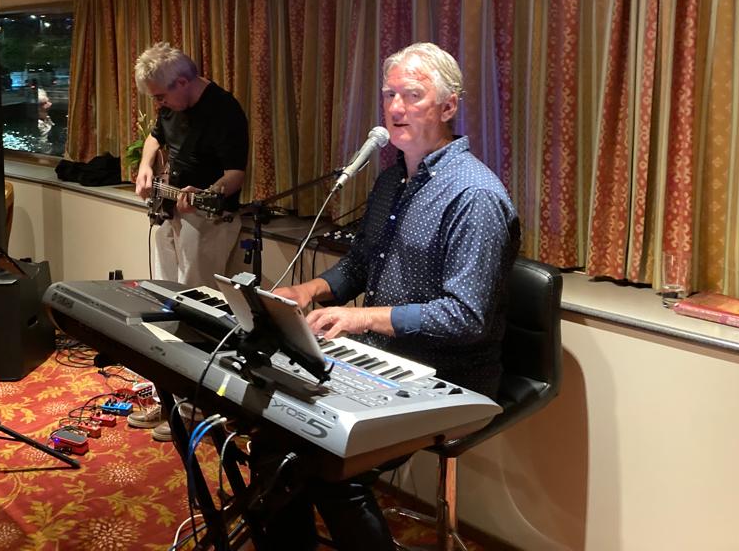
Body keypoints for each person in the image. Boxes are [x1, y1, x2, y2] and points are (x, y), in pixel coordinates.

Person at [260, 42, 520, 550]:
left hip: (450, 373)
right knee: (275, 437)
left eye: (412, 95)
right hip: (381, 355)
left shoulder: (475, 195)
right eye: (389, 95)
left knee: (332, 467)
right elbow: (361, 263)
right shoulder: (392, 179)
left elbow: (465, 318)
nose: (396, 107)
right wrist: (308, 289)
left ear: (448, 106)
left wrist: (359, 319)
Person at [129, 42, 249, 440]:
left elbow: (235, 175)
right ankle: (168, 399)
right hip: (169, 211)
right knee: (164, 302)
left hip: (208, 218)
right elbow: (154, 137)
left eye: (161, 97)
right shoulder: (170, 105)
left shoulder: (224, 111)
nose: (159, 104)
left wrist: (208, 191)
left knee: (196, 311)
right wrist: (146, 166)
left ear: (183, 82)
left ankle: (193, 408)